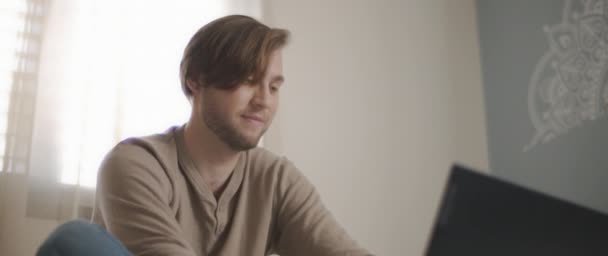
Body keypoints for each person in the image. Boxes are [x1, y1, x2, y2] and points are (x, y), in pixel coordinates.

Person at [37, 15, 373, 256]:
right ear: (195, 81)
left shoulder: (277, 178)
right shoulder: (135, 163)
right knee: (76, 240)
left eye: (273, 86)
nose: (264, 100)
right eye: (247, 80)